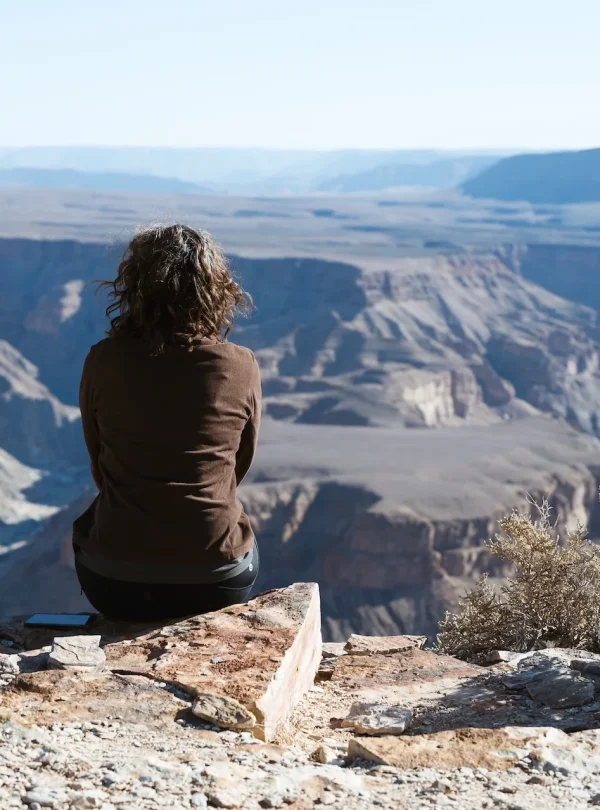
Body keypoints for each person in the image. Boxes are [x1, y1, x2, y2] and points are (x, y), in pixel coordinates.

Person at [73, 224, 260, 622]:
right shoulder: (240, 365)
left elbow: (98, 460)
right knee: (240, 532)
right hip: (215, 579)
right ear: (215, 289)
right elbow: (238, 463)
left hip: (113, 580)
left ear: (134, 286)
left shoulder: (102, 360)